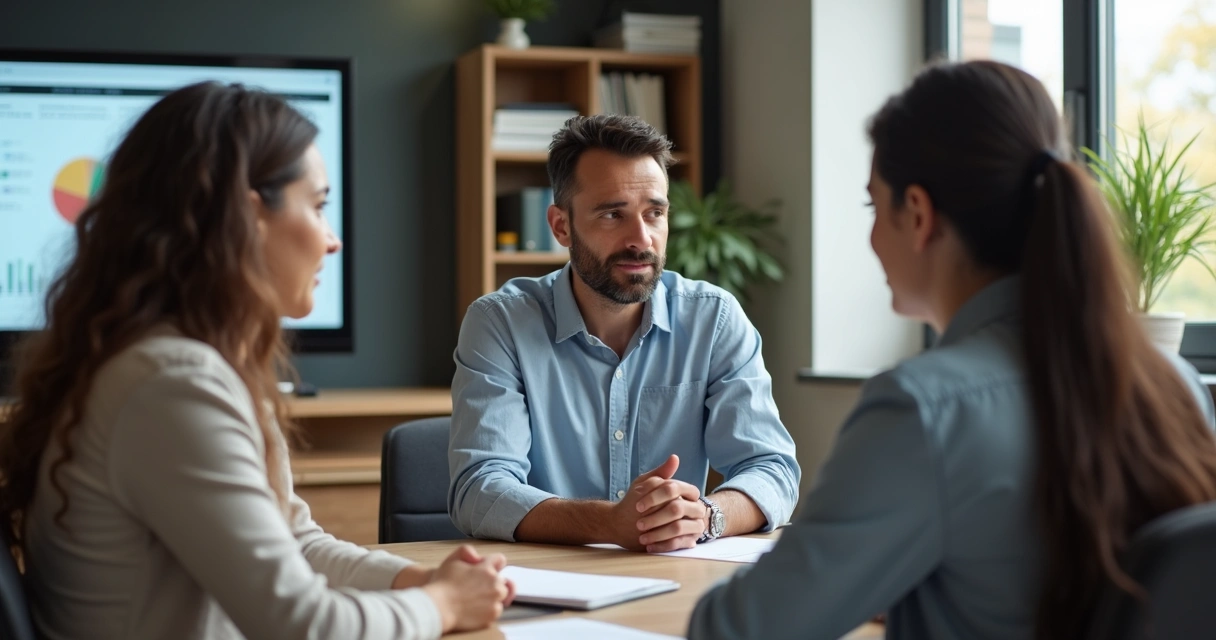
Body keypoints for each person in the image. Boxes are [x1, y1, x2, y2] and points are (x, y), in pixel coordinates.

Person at [688, 60, 1216, 640]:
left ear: (918, 214)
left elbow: (737, 630)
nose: (869, 236)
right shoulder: (1174, 383)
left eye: (872, 207)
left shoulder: (923, 410)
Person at [0, 82, 512, 640]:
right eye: (318, 207)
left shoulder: (174, 364)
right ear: (247, 218)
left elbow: (296, 542)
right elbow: (300, 623)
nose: (333, 240)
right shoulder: (171, 384)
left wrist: (418, 581)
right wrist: (441, 606)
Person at [447, 114, 801, 553]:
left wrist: (706, 517)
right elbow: (478, 492)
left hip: (671, 581)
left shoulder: (714, 319)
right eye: (613, 214)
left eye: (655, 213)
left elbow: (772, 469)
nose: (642, 239)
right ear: (561, 226)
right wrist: (608, 523)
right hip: (546, 586)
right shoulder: (501, 324)